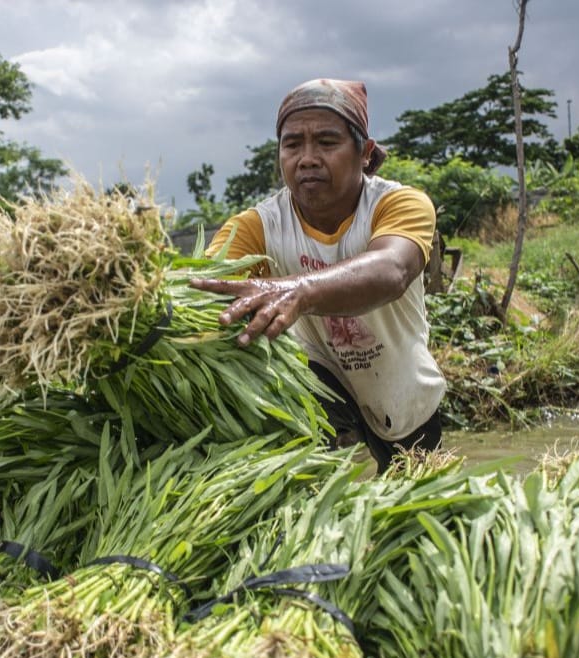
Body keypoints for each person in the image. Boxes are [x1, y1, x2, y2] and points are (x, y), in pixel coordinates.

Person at [190, 78, 446, 471]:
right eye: (292, 145)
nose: (306, 158)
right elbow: (205, 285)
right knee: (310, 494)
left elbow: (392, 270)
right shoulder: (259, 227)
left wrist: (298, 289)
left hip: (399, 386)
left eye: (326, 143)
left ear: (366, 153)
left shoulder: (398, 204)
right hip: (316, 378)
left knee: (417, 499)